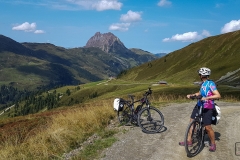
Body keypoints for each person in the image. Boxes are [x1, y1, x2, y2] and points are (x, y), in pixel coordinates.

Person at [179, 67, 221, 152]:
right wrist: (192, 95)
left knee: (208, 127)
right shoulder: (202, 84)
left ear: (202, 75)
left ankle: (213, 143)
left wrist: (207, 98)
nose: (199, 75)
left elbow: (218, 95)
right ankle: (189, 141)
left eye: (200, 74)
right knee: (192, 122)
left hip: (208, 107)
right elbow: (200, 93)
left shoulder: (211, 83)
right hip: (199, 105)